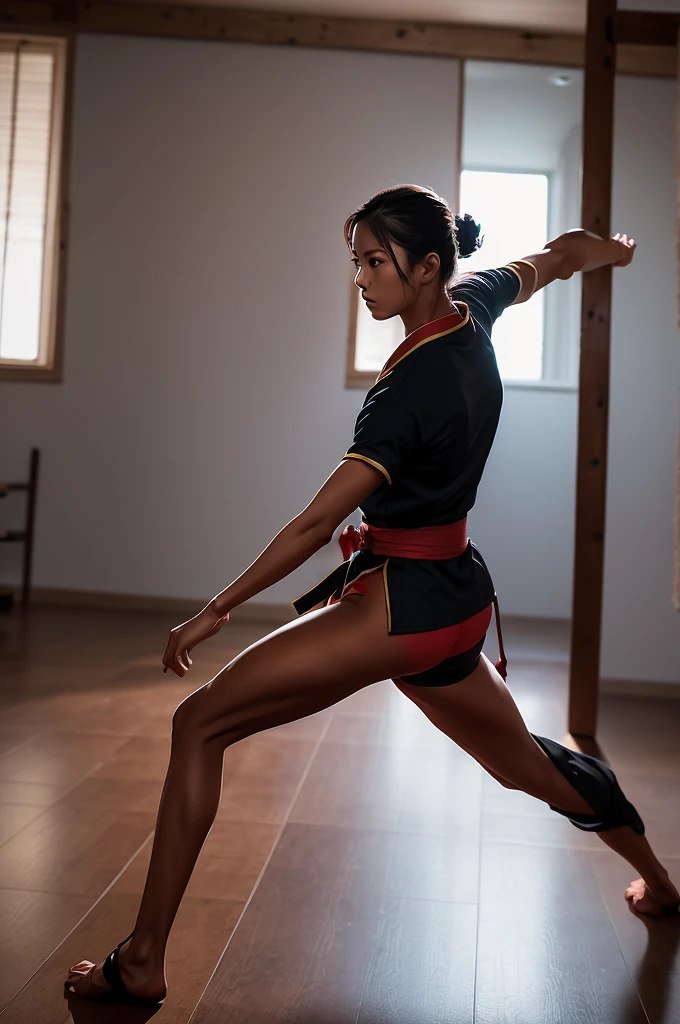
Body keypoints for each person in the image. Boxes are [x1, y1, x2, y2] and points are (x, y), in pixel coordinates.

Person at [66, 185, 680, 1005]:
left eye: (375, 262)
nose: (360, 278)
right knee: (527, 765)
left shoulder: (405, 393)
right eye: (355, 260)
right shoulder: (476, 302)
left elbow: (316, 524)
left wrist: (214, 608)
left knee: (197, 723)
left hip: (398, 607)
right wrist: (616, 251)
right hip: (456, 602)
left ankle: (142, 959)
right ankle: (660, 880)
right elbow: (560, 256)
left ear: (425, 268)